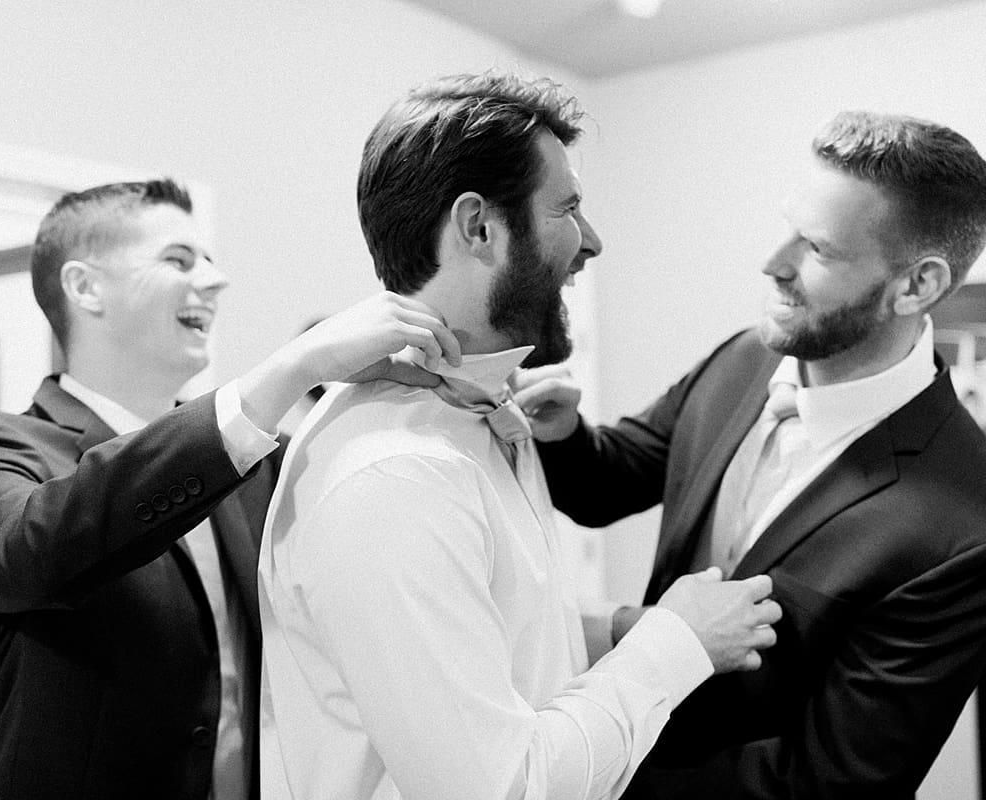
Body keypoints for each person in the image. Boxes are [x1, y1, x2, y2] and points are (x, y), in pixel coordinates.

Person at [257, 72, 782, 800]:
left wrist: (624, 626)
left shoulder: (482, 413)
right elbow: (502, 788)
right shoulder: (395, 477)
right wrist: (676, 644)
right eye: (567, 208)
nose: (591, 241)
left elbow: (490, 638)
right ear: (479, 227)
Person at [518, 112, 986, 799]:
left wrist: (580, 777)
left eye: (817, 248)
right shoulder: (746, 358)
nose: (773, 263)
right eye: (789, 227)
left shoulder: (968, 535)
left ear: (917, 286)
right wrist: (563, 434)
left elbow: (829, 784)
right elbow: (612, 480)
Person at [0, 178, 462, 800]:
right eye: (178, 260)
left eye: (208, 260)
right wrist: (291, 368)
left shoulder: (259, 462)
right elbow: (20, 557)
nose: (214, 280)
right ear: (85, 287)